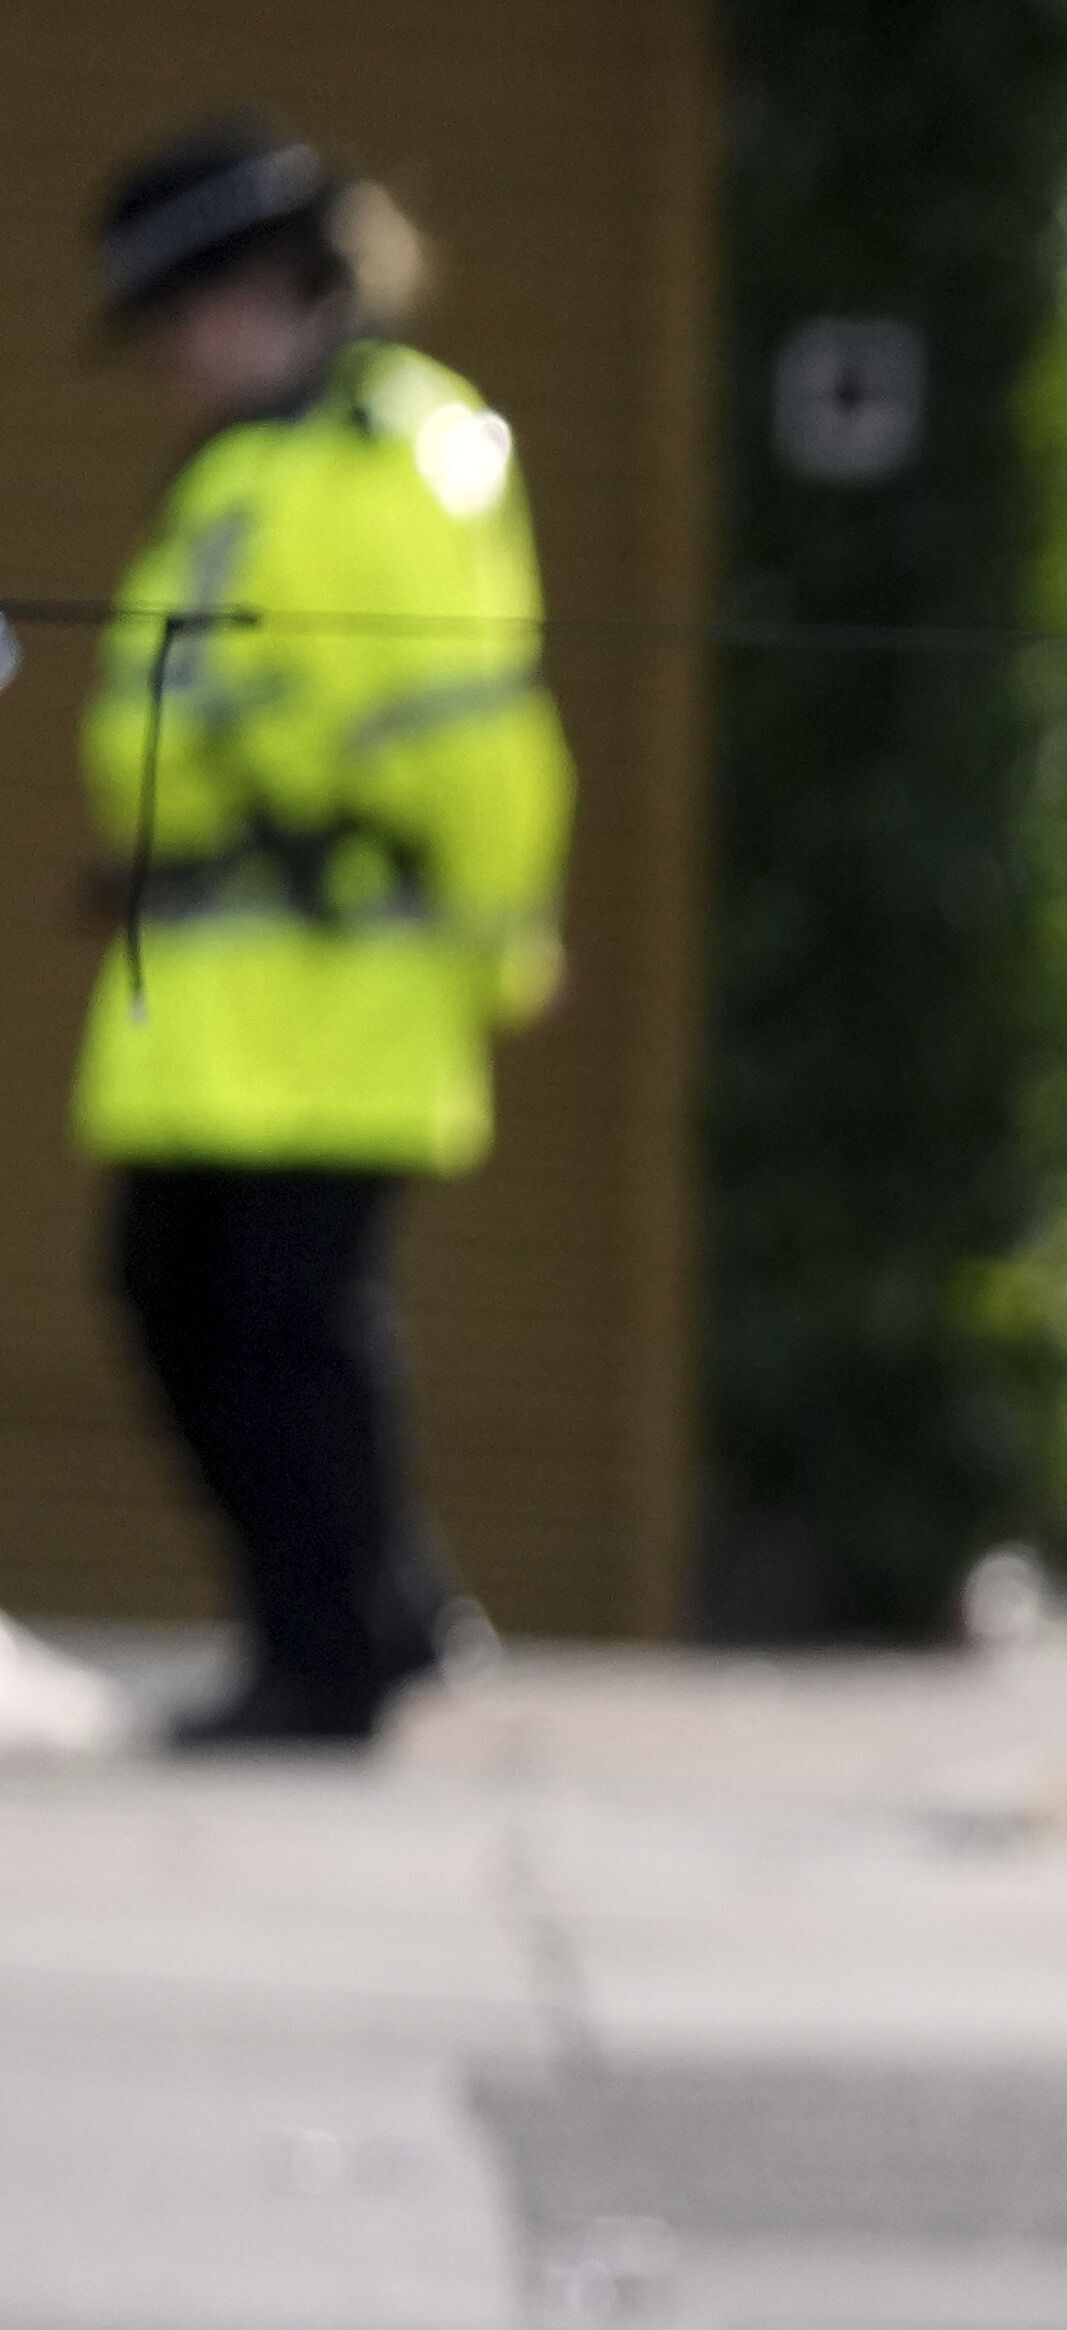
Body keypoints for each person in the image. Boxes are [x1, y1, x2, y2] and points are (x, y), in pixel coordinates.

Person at [75, 115, 568, 1752]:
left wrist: (501, 940)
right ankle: (375, 1607)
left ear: (269, 286)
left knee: (287, 1335)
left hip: (342, 986)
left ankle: (332, 1656)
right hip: (221, 998)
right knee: (183, 1302)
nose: (164, 358)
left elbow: (473, 735)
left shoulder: (394, 455)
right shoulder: (259, 461)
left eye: (176, 316)